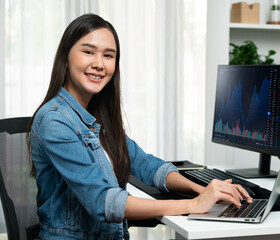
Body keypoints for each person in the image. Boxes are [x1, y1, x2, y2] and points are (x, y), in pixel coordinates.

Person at [27, 13, 252, 240]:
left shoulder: (97, 118)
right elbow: (103, 202)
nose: (98, 64)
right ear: (65, 57)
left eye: (108, 55)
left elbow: (148, 166)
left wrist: (201, 189)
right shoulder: (55, 120)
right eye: (88, 52)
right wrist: (194, 204)